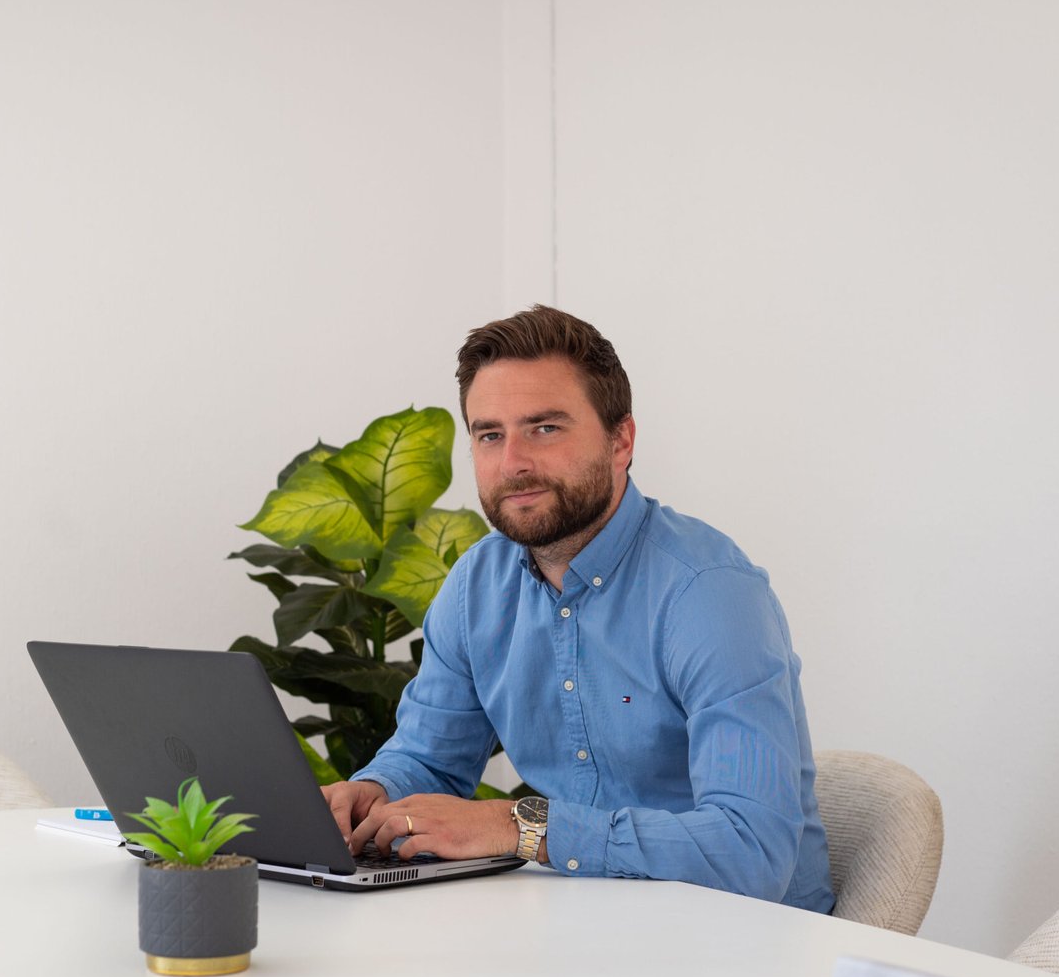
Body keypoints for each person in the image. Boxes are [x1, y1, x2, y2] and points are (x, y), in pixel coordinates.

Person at [321, 306, 835, 911]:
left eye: (544, 428)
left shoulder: (709, 594)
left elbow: (752, 852)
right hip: (578, 925)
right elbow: (429, 757)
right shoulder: (475, 586)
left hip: (744, 939)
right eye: (490, 435)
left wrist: (524, 826)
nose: (513, 463)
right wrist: (375, 793)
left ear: (621, 441)